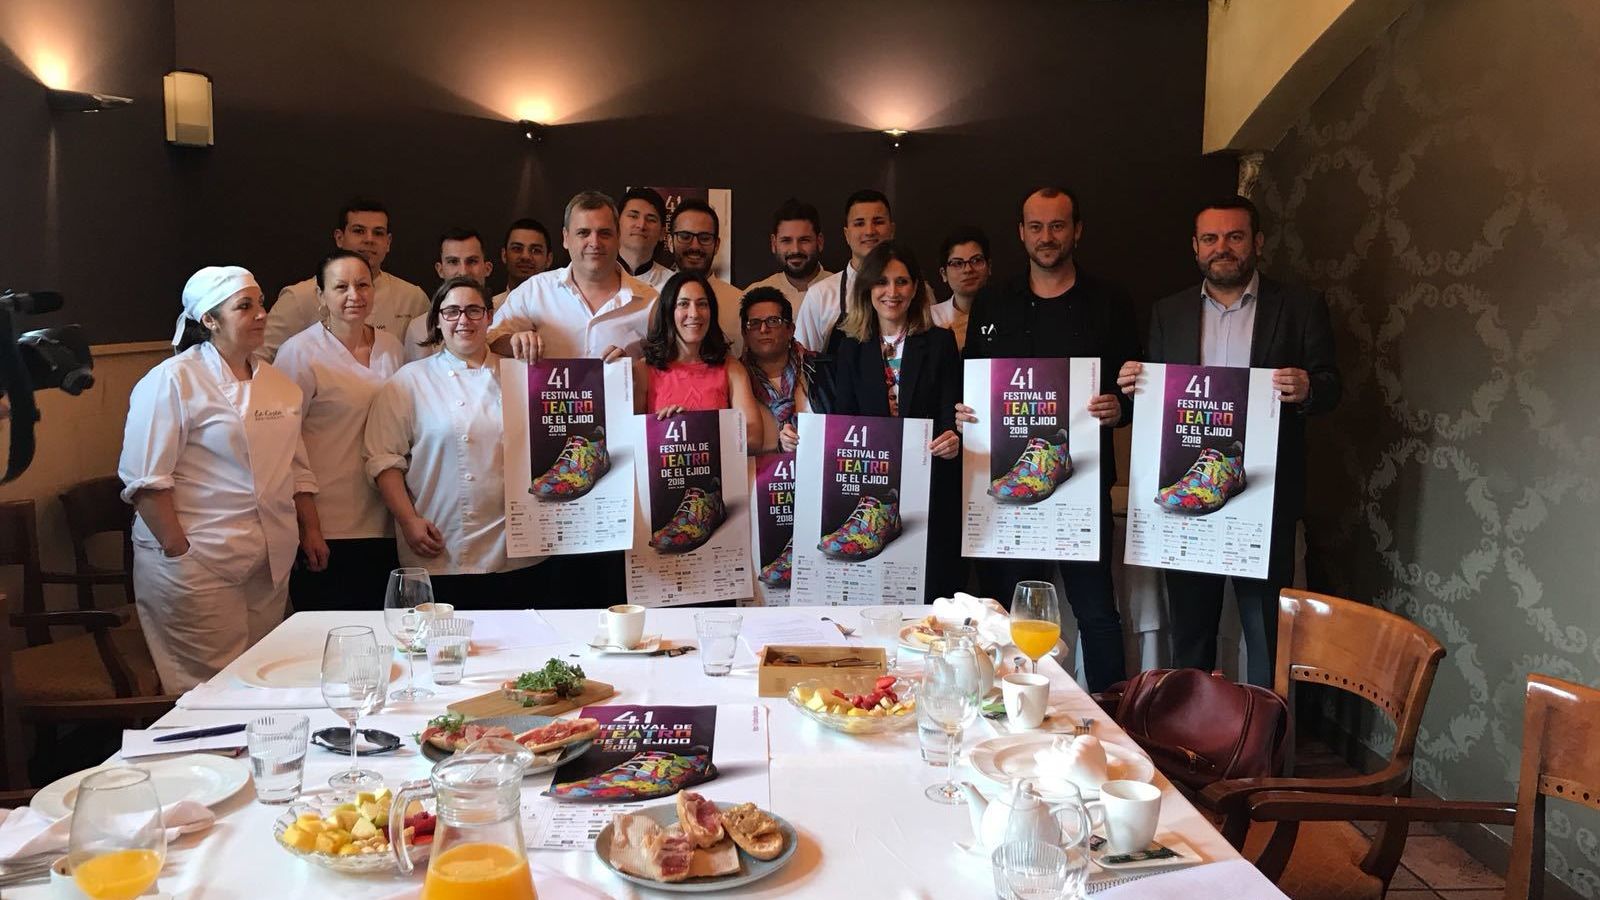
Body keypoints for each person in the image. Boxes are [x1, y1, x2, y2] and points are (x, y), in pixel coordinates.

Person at [1118, 195, 1341, 687]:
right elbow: (1154, 406)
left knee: (1266, 635)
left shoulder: (1301, 306)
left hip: (1264, 498)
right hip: (1189, 492)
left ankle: (1265, 748)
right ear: (1195, 247)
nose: (1224, 248)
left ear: (1257, 242)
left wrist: (1309, 387)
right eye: (1211, 238)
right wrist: (1133, 386)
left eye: (1235, 237)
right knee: (1190, 634)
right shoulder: (1167, 312)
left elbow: (1332, 385)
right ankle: (1192, 745)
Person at [960, 186, 1138, 692]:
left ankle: (1114, 716)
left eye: (1057, 226)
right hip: (1010, 490)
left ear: (1077, 230)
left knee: (1097, 613)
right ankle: (1012, 708)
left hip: (1083, 483)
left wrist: (1117, 406)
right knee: (1010, 615)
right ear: (1021, 233)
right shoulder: (994, 301)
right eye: (1035, 227)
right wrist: (967, 410)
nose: (1046, 237)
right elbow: (977, 382)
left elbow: (1133, 390)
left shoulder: (1111, 301)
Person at [119, 266, 318, 692]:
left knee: (265, 677)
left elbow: (295, 467)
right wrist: (179, 548)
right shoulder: (173, 381)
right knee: (211, 689)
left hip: (267, 559)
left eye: (260, 302)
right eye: (244, 306)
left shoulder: (279, 385)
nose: (261, 313)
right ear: (209, 319)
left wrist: (308, 529)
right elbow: (146, 480)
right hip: (198, 562)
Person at [364, 277, 547, 609]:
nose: (463, 320)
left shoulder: (521, 378)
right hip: (437, 541)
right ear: (436, 320)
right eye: (451, 312)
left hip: (516, 548)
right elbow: (383, 460)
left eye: (474, 310)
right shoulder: (409, 381)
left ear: (490, 317)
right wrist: (409, 521)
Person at [829, 242, 963, 602]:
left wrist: (953, 438)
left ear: (916, 287)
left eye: (902, 282)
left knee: (930, 597)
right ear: (867, 289)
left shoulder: (939, 342)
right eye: (882, 282)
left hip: (929, 490)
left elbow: (952, 412)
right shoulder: (849, 345)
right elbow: (843, 421)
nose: (892, 292)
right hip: (870, 491)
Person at [273, 250, 405, 612]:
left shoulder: (391, 347)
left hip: (385, 519)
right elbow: (287, 445)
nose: (354, 295)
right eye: (341, 286)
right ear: (320, 295)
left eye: (363, 285)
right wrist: (309, 525)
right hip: (329, 523)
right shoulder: (299, 353)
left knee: (384, 631)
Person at [489, 190, 657, 363]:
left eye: (604, 233)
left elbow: (669, 366)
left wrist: (634, 371)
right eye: (583, 233)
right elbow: (490, 339)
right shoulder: (535, 291)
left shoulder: (650, 302)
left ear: (618, 237)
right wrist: (513, 342)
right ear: (566, 238)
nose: (595, 243)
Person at [260, 197, 427, 361]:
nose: (369, 239)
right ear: (339, 237)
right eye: (359, 231)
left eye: (378, 233)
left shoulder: (412, 297)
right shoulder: (298, 298)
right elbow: (258, 359)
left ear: (388, 242)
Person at [793, 189, 934, 356]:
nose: (869, 231)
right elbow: (803, 364)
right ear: (846, 234)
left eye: (878, 222)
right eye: (859, 223)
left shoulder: (918, 292)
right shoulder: (820, 295)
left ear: (892, 229)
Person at [635, 271, 767, 449]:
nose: (694, 313)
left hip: (719, 476)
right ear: (668, 311)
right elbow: (630, 440)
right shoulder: (643, 369)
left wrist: (696, 430)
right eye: (683, 304)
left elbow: (754, 438)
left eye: (702, 304)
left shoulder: (731, 368)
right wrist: (663, 430)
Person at [738, 286, 832, 452]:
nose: (763, 329)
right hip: (756, 475)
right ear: (744, 334)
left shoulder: (823, 370)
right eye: (754, 323)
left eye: (773, 321)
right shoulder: (735, 378)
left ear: (790, 330)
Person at [403, 227, 494, 362]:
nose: (463, 272)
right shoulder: (419, 329)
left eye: (472, 261)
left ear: (487, 268)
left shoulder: (509, 316)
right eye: (453, 262)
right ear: (440, 270)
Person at [668, 198, 745, 356]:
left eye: (704, 238)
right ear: (670, 242)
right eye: (685, 236)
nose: (695, 246)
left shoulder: (740, 303)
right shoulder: (653, 299)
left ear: (716, 245)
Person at [744, 199, 829, 313]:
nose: (795, 249)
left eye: (804, 240)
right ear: (774, 243)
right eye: (786, 240)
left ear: (820, 242)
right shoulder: (755, 296)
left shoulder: (844, 291)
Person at [931, 226, 991, 352]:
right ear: (943, 274)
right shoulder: (931, 318)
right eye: (957, 263)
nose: (968, 269)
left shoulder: (1009, 313)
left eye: (976, 260)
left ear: (989, 267)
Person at [618, 187, 674, 290]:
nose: (641, 225)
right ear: (616, 224)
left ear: (662, 233)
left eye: (651, 219)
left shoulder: (673, 285)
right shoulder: (596, 276)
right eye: (633, 216)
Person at [499, 217, 554, 302]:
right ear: (504, 255)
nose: (525, 256)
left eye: (536, 250)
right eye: (517, 249)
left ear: (548, 260)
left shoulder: (565, 311)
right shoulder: (488, 311)